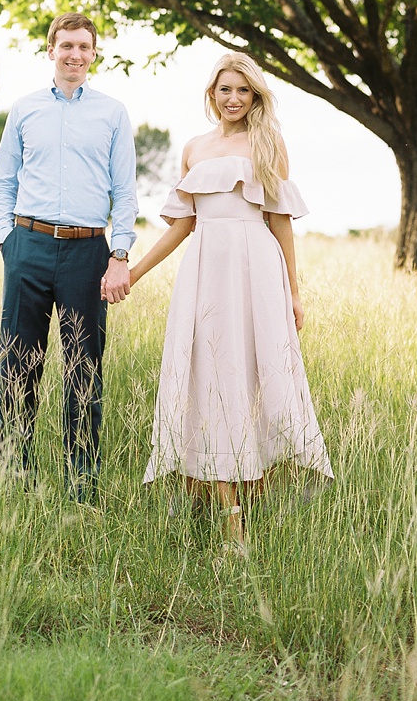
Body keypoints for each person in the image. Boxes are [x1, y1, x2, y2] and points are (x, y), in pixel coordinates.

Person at [128, 53, 331, 549]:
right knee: (210, 374)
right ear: (211, 94)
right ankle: (226, 512)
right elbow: (182, 224)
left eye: (243, 90)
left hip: (257, 270)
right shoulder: (194, 148)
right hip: (204, 272)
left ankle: (255, 486)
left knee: (259, 374)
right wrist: (133, 272)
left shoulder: (269, 144)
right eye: (225, 90)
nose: (234, 98)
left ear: (255, 95)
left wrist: (295, 293)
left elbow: (280, 222)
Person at [0, 10, 137, 505]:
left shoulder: (113, 113)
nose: (75, 54)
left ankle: (83, 489)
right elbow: (3, 180)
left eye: (84, 47)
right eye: (66, 45)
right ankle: (13, 483)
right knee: (17, 368)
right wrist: (5, 242)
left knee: (84, 371)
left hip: (88, 252)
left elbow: (126, 191)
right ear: (50, 50)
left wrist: (119, 255)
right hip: (27, 247)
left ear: (94, 54)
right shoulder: (24, 109)